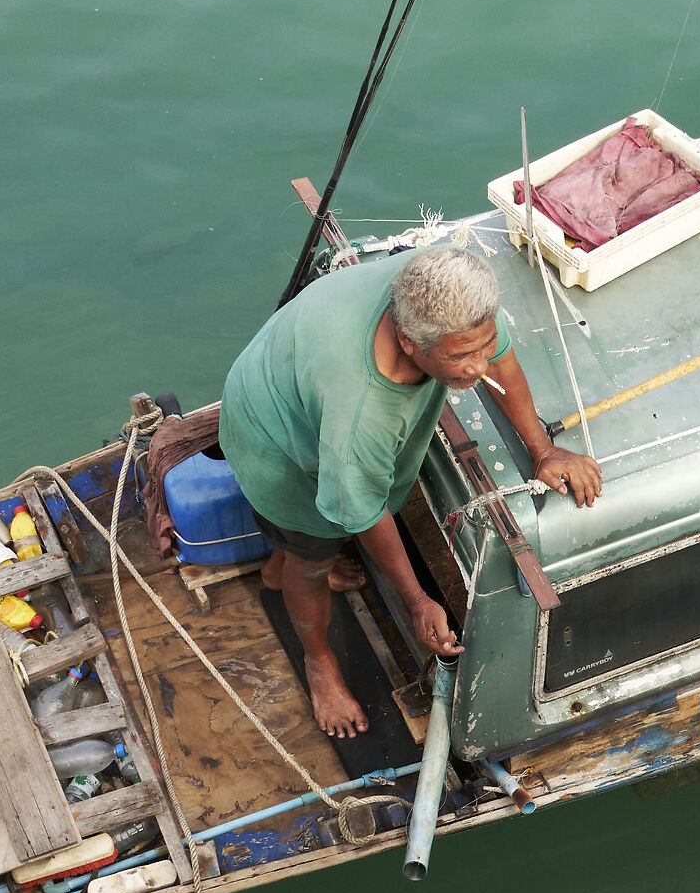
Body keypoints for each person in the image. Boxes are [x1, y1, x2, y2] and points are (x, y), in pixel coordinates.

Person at [219, 246, 602, 738]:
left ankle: (287, 557)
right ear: (407, 340)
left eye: (483, 345)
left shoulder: (451, 297)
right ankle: (317, 659)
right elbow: (366, 511)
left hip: (290, 367)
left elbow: (499, 358)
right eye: (460, 357)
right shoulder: (361, 414)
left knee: (320, 533)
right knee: (310, 556)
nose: (479, 366)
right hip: (274, 443)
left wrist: (543, 449)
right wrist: (418, 601)